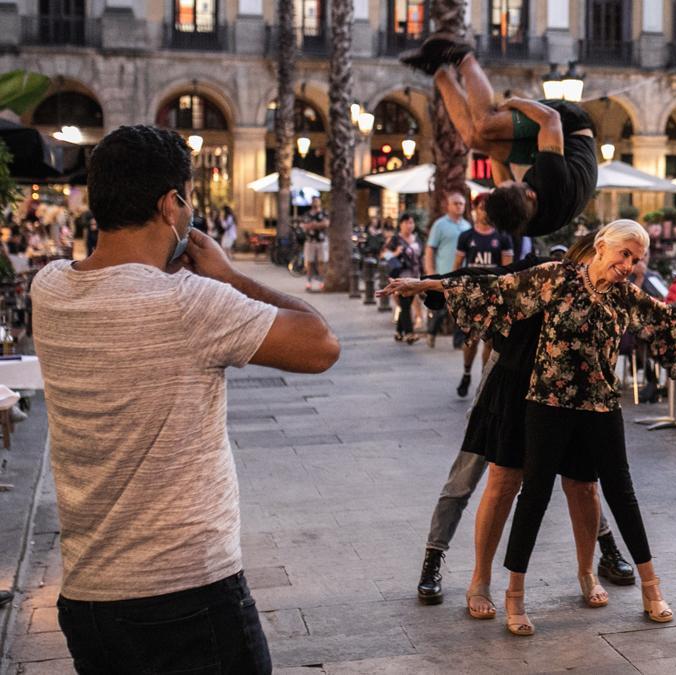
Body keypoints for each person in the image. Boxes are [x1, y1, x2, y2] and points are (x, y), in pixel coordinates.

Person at [30, 125, 340, 672]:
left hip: (89, 598)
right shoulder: (190, 302)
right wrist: (230, 277)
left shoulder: (49, 288)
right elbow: (320, 344)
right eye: (188, 198)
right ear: (172, 205)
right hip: (186, 596)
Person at [382, 220, 676, 635]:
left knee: (612, 492)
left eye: (636, 259)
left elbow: (668, 319)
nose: (628, 265)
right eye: (623, 254)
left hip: (599, 404)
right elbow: (495, 287)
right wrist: (427, 284)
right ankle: (507, 593)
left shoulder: (625, 296)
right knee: (527, 492)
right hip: (545, 401)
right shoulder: (555, 277)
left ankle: (642, 585)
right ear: (600, 246)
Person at [409, 234, 637, 616]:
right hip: (512, 385)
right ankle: (453, 565)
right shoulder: (539, 272)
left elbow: (654, 314)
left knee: (582, 483)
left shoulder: (608, 290)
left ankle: (599, 558)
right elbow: (483, 280)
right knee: (486, 479)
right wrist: (430, 285)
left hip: (569, 393)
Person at [402, 38, 597, 238]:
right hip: (569, 126)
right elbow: (550, 119)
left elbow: (500, 169)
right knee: (486, 124)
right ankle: (464, 57)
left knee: (473, 139)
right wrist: (517, 102)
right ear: (530, 194)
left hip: (544, 151)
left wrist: (490, 146)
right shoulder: (552, 180)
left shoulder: (516, 219)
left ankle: (437, 71)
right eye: (514, 184)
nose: (507, 182)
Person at [454, 194, 514, 396]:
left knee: (489, 341)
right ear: (475, 210)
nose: (485, 212)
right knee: (471, 339)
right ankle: (466, 372)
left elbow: (508, 271)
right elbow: (457, 267)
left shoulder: (503, 237)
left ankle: (484, 379)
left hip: (494, 296)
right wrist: (453, 290)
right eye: (481, 208)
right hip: (472, 295)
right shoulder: (466, 237)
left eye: (488, 208)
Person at [423, 191, 471, 347]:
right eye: (455, 203)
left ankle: (458, 342)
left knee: (460, 310)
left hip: (461, 275)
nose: (459, 206)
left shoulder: (467, 226)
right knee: (441, 310)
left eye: (461, 204)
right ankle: (431, 333)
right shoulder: (440, 224)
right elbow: (430, 249)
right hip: (442, 274)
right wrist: (430, 271)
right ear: (448, 205)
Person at [386, 212, 423, 343]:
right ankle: (409, 333)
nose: (409, 225)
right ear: (400, 224)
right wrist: (396, 253)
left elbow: (421, 257)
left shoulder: (417, 239)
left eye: (411, 222)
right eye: (406, 222)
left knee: (405, 304)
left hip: (415, 276)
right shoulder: (395, 239)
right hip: (400, 277)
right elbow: (384, 256)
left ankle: (399, 332)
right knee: (405, 303)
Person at [300, 196, 330, 291]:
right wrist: (318, 225)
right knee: (309, 262)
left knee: (322, 262)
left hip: (322, 241)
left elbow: (326, 224)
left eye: (317, 201)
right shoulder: (307, 214)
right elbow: (303, 226)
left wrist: (312, 225)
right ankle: (309, 282)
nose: (316, 203)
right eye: (314, 201)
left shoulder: (324, 213)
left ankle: (322, 282)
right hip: (310, 241)